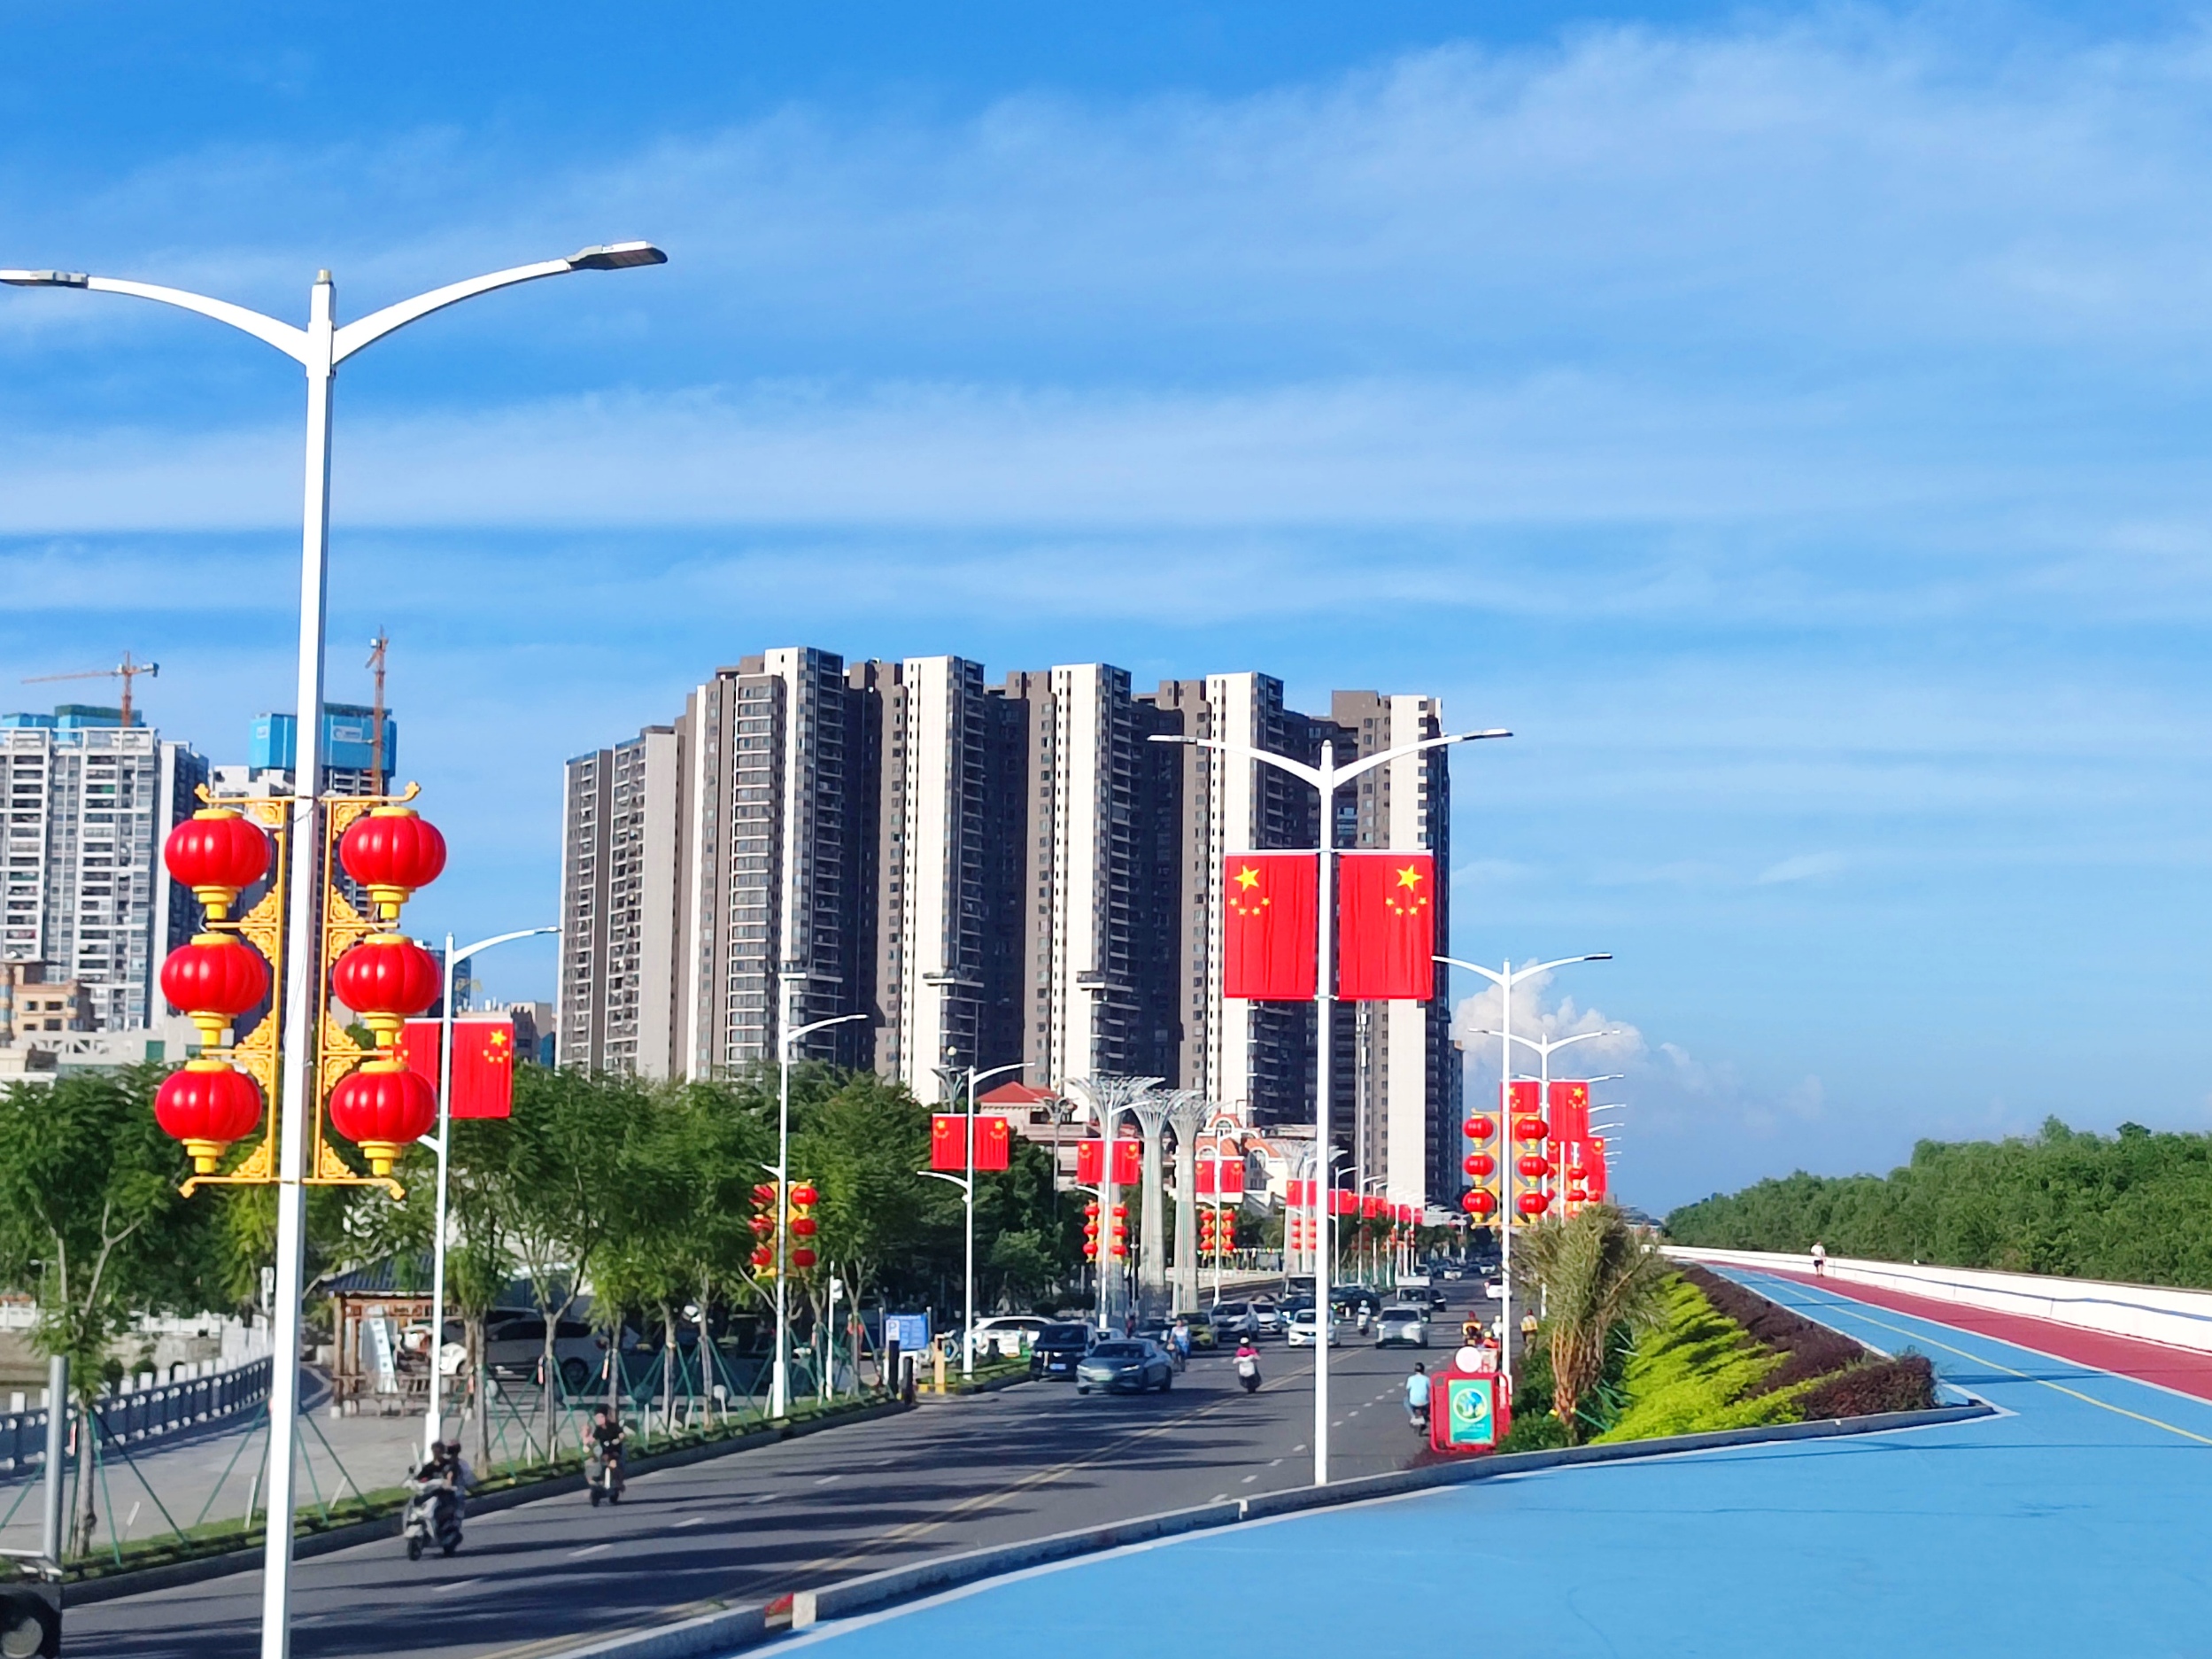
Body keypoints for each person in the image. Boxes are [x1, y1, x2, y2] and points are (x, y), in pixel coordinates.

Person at [1404, 1362, 1431, 1430]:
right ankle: (1426, 1415)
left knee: (1406, 1400)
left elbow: (1408, 1389)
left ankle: (1413, 1416)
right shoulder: (1427, 1379)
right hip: (1425, 1403)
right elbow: (1430, 1389)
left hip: (1413, 1402)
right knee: (1431, 1402)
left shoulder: (1410, 1378)